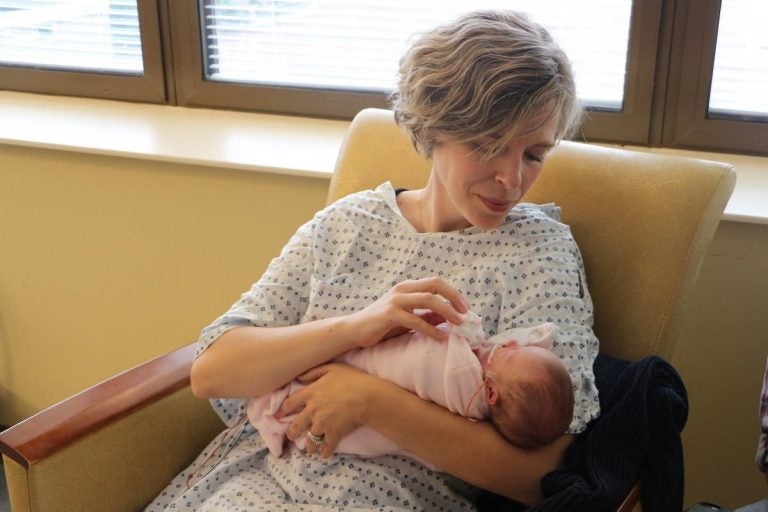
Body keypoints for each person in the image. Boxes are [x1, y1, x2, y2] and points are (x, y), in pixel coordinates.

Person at [145, 8, 600, 511]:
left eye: (534, 155)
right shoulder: (348, 225)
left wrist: (369, 400)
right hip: (259, 483)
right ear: (435, 127)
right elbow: (214, 371)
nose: (512, 180)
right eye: (489, 146)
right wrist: (358, 326)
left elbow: (542, 477)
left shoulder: (540, 254)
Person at [247, 315, 574, 463]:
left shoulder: (459, 374)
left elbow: (438, 344)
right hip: (281, 456)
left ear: (491, 394)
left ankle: (281, 407)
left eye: (512, 352)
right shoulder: (338, 222)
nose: (510, 342)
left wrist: (368, 400)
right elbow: (209, 372)